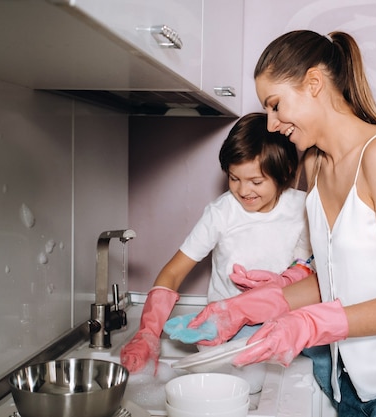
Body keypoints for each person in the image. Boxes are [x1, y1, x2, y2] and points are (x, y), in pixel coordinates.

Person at [188, 30, 376, 417]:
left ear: (313, 83)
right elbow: (335, 281)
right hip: (356, 380)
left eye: (275, 105)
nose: (272, 125)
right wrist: (246, 308)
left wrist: (306, 324)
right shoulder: (316, 166)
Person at [119, 112, 313, 377]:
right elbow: (174, 272)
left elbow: (313, 269)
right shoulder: (221, 213)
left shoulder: (304, 208)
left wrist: (284, 281)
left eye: (256, 181)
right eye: (234, 179)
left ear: (285, 172)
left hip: (281, 327)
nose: (244, 191)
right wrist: (148, 333)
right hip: (222, 333)